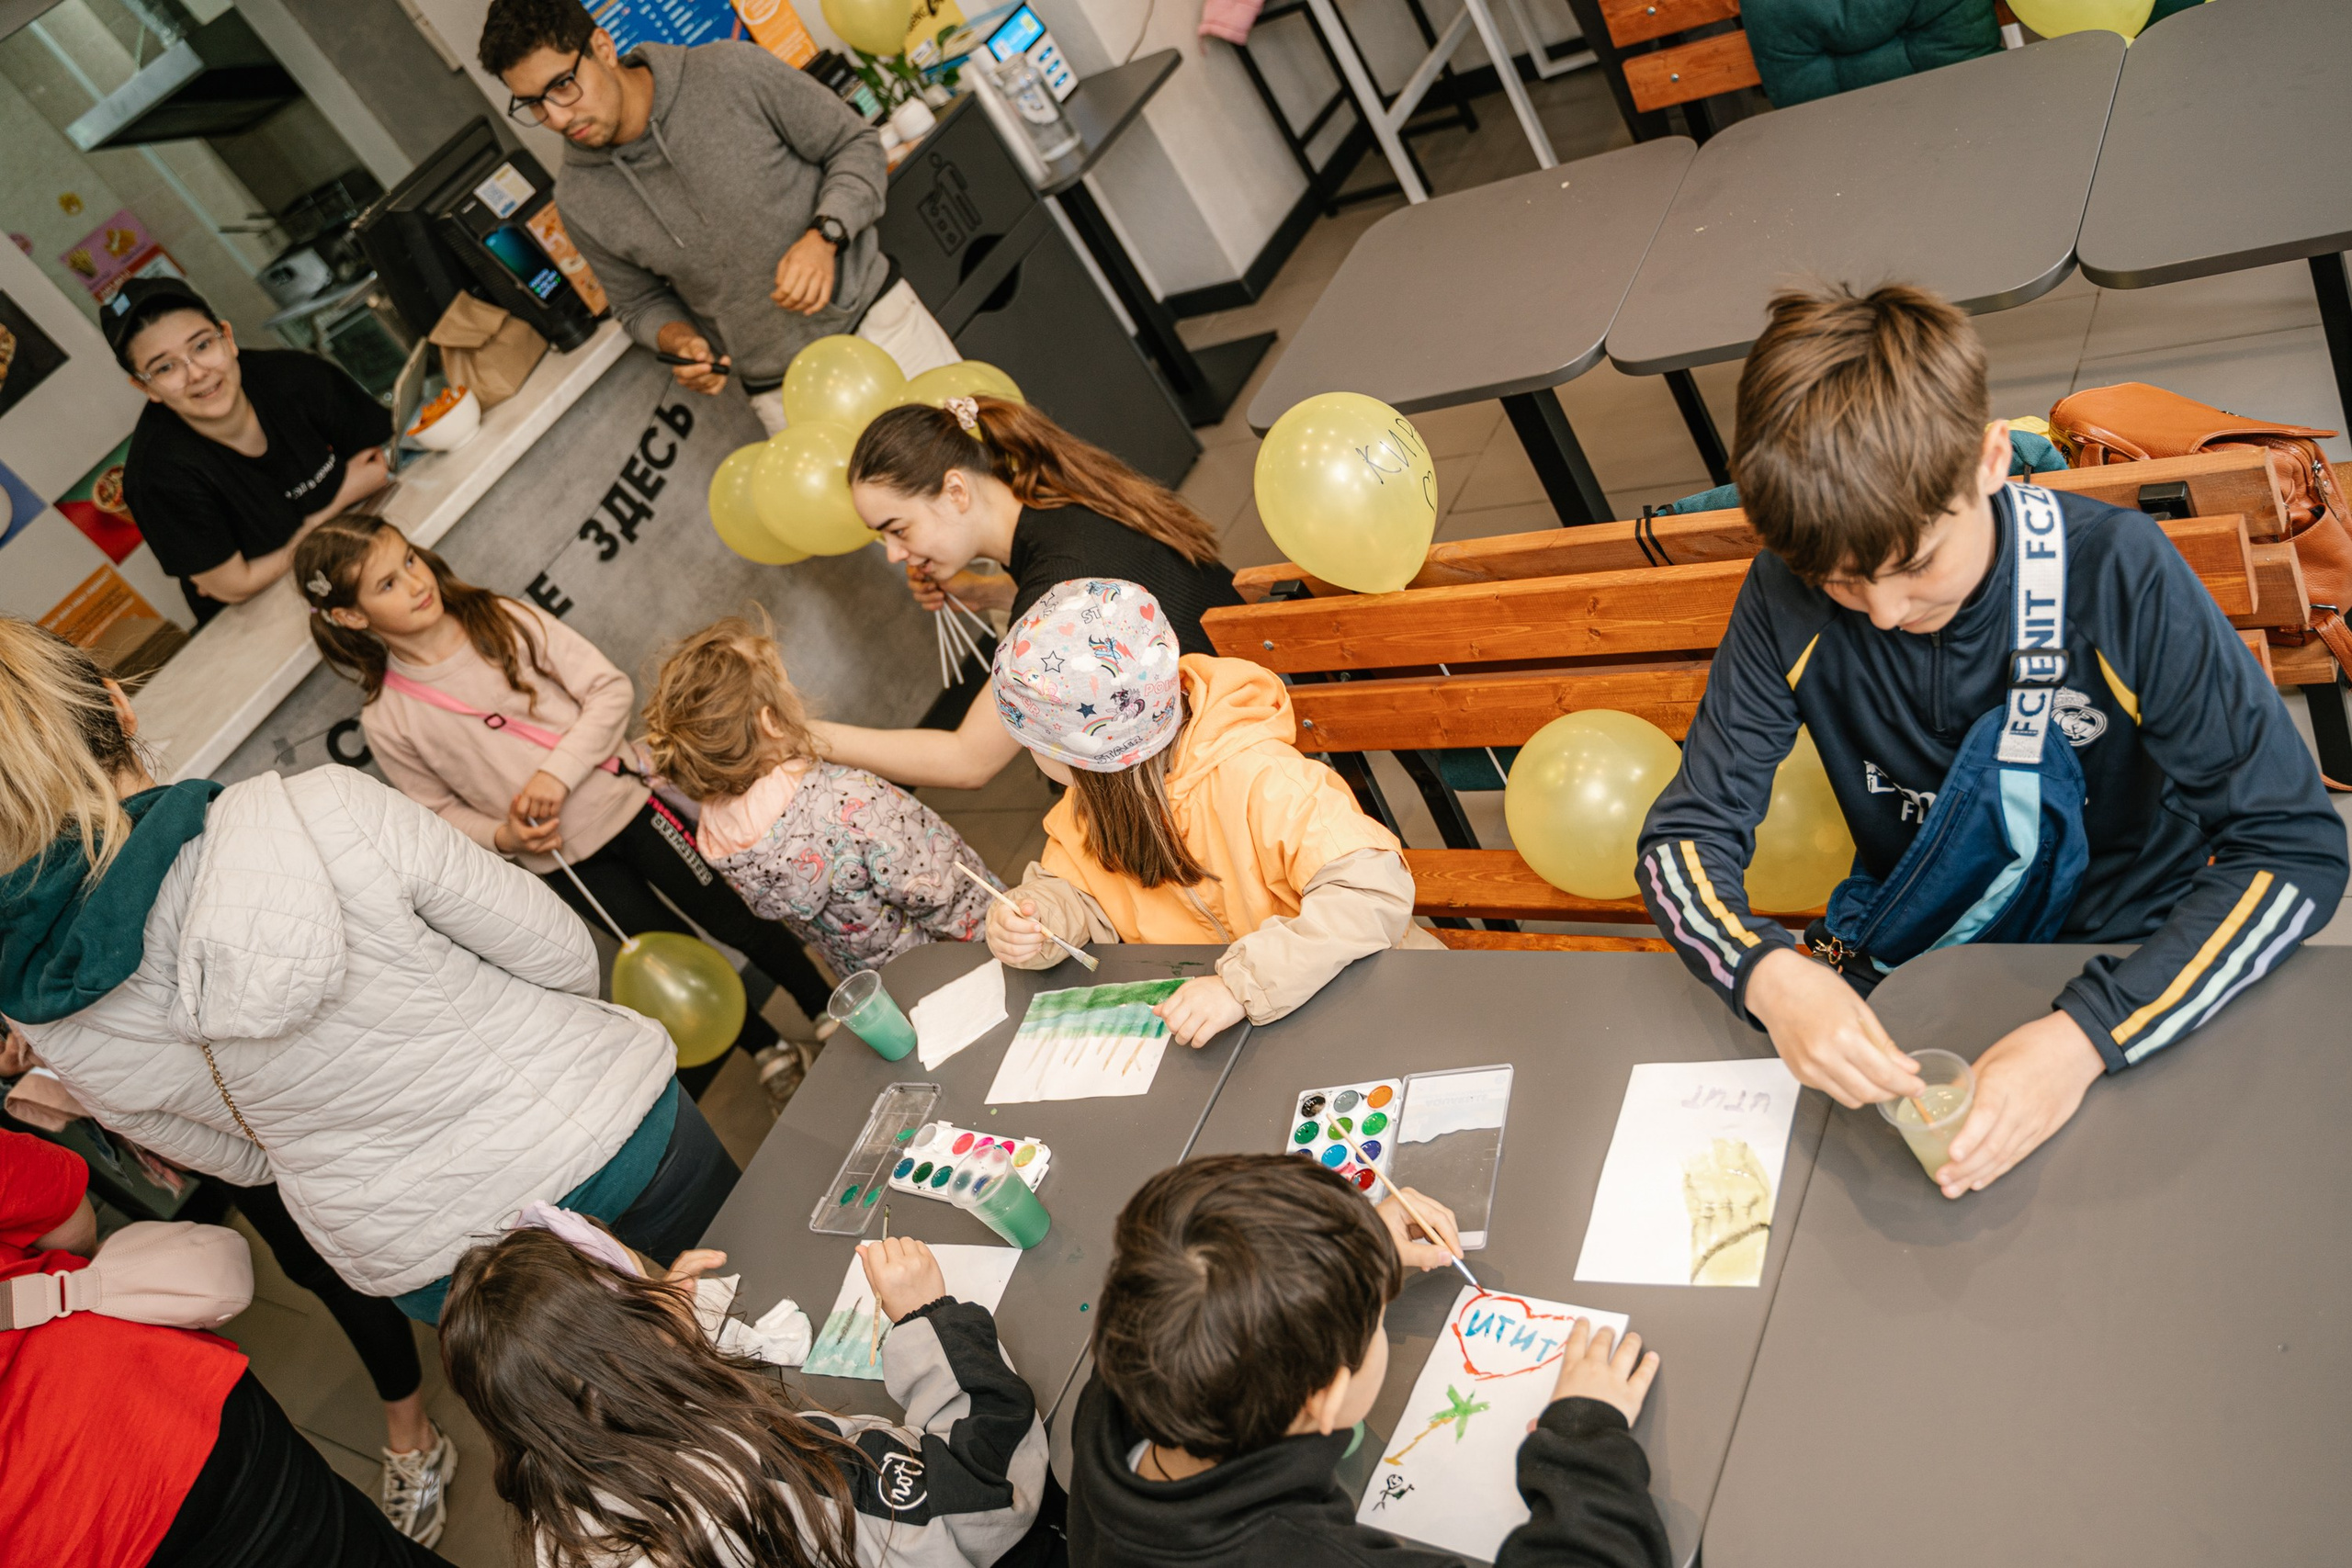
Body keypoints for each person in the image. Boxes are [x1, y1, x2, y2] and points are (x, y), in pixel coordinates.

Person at [1638, 282, 2350, 1199]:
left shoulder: (2117, 574)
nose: (1885, 614)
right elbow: (1683, 840)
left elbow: (2292, 850)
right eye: (1841, 585)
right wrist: (1765, 972)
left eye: (1915, 566)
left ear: (1988, 461)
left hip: (2137, 954)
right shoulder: (1783, 593)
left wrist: (2086, 1037)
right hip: (1929, 960)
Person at [0, 619, 733, 1330]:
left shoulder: (37, 1002)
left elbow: (244, 1159)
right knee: (808, 1328)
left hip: (448, 1267)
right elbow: (563, 956)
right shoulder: (320, 809)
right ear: (117, 702)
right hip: (606, 1135)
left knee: (651, 1443)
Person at [294, 516, 834, 1099]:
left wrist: (556, 773)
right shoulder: (388, 718)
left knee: (734, 918)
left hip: (632, 806)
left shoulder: (501, 619)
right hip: (569, 865)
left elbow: (609, 690)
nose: (415, 581)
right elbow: (437, 814)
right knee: (672, 954)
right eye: (387, 584)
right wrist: (504, 838)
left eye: (408, 560)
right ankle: (767, 1049)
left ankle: (824, 1005)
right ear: (351, 616)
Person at [1067, 1154, 1670, 1568]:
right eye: (1374, 1325)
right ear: (1327, 1397)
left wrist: (1355, 1251)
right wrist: (1584, 1444)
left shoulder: (1123, 1383)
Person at [981, 579, 1441, 1046]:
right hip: (1252, 1028)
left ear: (1078, 757)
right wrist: (1042, 922)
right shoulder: (1088, 811)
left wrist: (1241, 985)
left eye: (1031, 744)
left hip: (1369, 997)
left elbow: (1371, 892)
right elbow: (1080, 894)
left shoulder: (1259, 777)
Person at [439, 1221, 1057, 1568]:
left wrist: (662, 1339)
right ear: (625, 1352)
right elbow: (981, 1499)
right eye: (633, 1295)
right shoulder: (755, 1472)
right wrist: (931, 1319)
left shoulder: (564, 1522)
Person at [478, 0, 960, 434]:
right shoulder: (579, 198)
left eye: (562, 86)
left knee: (1002, 480)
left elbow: (853, 145)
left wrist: (825, 235)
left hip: (884, 329)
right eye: (534, 104)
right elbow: (637, 303)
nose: (557, 117)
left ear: (602, 47)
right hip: (785, 395)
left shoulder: (730, 71)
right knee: (890, 534)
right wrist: (678, 338)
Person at [0, 1126, 455, 1566]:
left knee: (323, 1254)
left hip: (144, 1439)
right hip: (154, 1434)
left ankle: (414, 1431)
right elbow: (62, 1210)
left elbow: (54, 1199)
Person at [820, 397, 1246, 791]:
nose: (894, 554)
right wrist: (987, 593)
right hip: (1250, 692)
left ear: (956, 492)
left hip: (1225, 756)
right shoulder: (1058, 497)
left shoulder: (1052, 593)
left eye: (898, 530)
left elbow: (969, 760)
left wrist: (809, 735)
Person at [639, 614, 1003, 978]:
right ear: (771, 722)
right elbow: (947, 892)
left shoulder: (724, 839)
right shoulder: (847, 800)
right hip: (976, 967)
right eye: (785, 681)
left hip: (897, 993)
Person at [108, 277, 392, 627]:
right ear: (144, 386)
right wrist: (332, 507)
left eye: (201, 346)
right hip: (265, 622)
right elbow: (236, 587)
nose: (196, 373)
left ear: (227, 338)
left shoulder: (294, 377)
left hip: (369, 565)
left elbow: (384, 457)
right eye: (165, 367)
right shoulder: (158, 477)